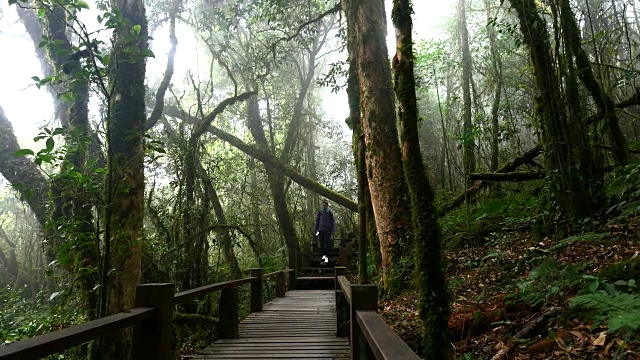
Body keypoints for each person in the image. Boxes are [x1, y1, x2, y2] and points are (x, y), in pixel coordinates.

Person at [314, 199, 335, 264]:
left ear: (327, 205)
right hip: (321, 230)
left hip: (328, 230)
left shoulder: (329, 212)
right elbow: (317, 220)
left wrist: (333, 229)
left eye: (325, 205)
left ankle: (326, 256)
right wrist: (316, 229)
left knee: (327, 242)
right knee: (322, 243)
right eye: (323, 205)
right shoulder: (320, 211)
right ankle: (323, 255)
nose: (324, 206)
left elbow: (332, 221)